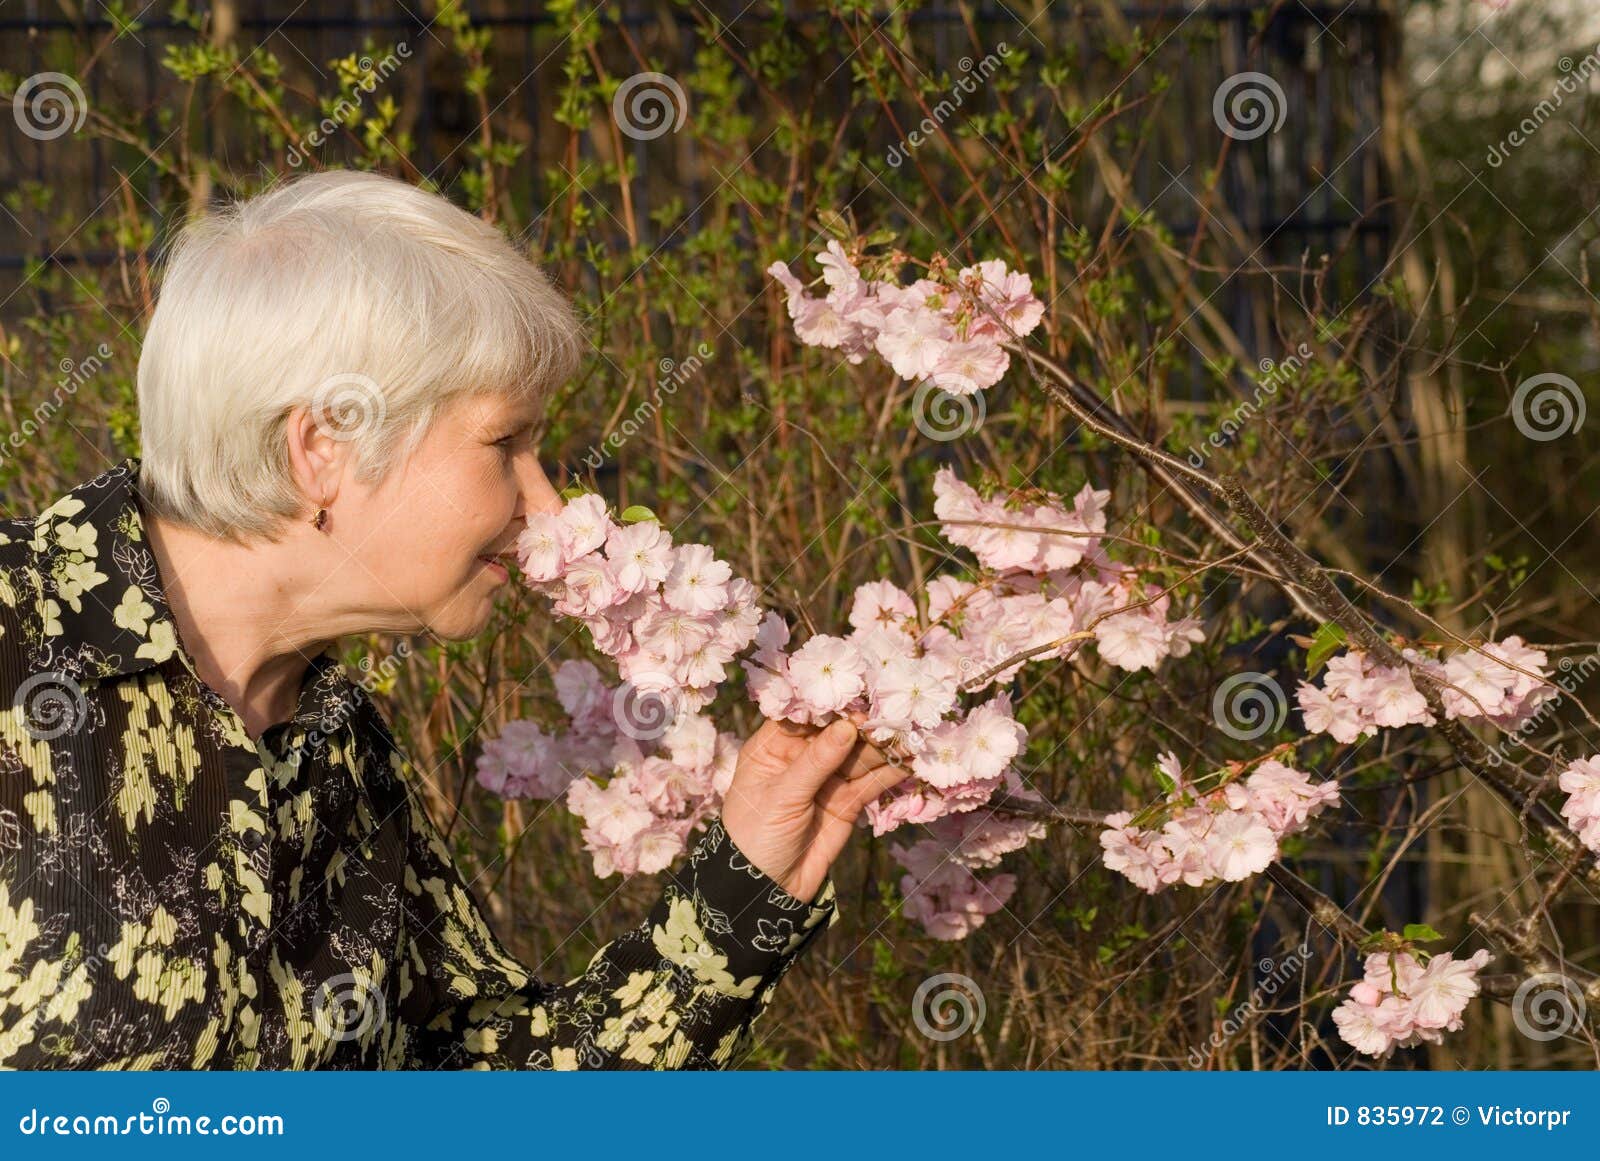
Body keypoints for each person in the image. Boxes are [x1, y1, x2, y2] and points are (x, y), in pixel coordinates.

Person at [0, 170, 901, 1069]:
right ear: (321, 449)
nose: (550, 507)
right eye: (505, 443)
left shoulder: (341, 750)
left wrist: (748, 873)